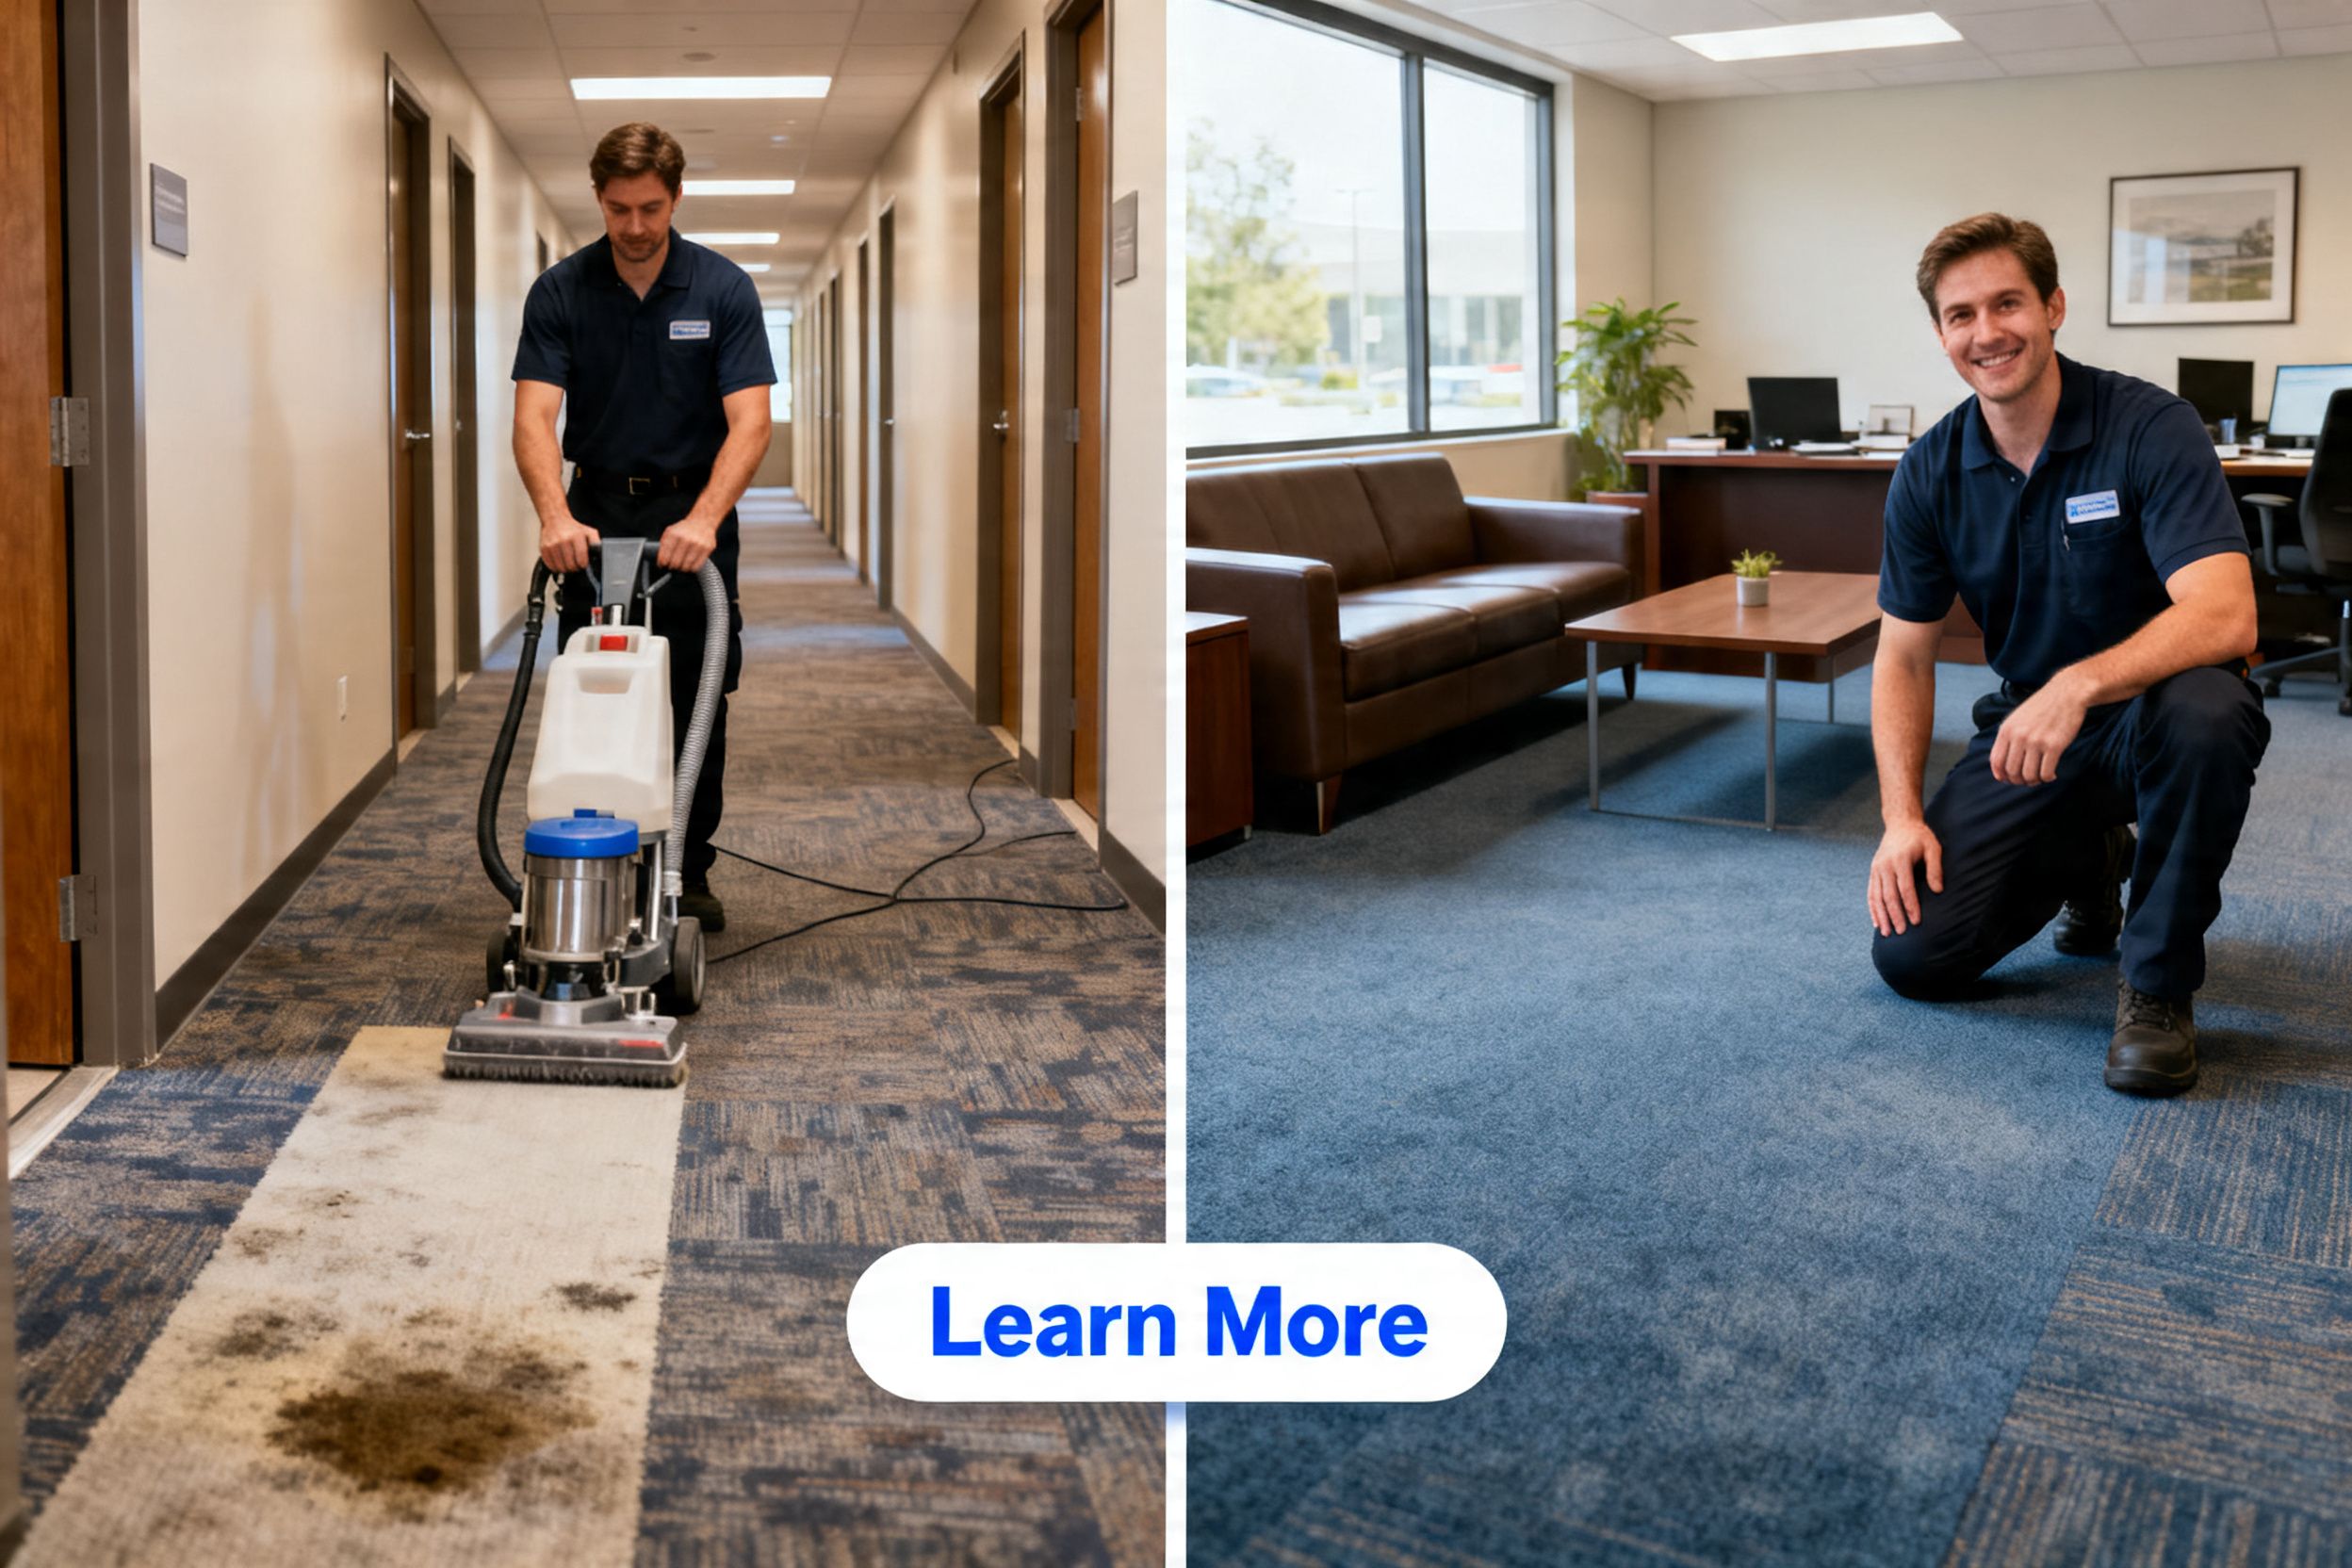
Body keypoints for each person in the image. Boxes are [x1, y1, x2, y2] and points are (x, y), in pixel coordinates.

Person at [1865, 212, 2269, 1095]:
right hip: (2030, 732)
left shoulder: (2150, 427)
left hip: (2157, 712)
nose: (1987, 332)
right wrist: (1901, 818)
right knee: (1915, 957)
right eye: (1961, 315)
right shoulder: (1930, 470)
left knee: (2211, 709)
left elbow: (2228, 617)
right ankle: (2097, 854)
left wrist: (2080, 684)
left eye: (2007, 303)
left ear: (2052, 308)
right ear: (1942, 336)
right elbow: (1902, 657)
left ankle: (2157, 984)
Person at [512, 122, 776, 932]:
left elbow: (752, 421)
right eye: (619, 208)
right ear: (598, 198)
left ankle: (687, 871)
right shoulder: (561, 291)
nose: (634, 227)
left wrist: (704, 519)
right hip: (594, 520)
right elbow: (533, 420)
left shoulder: (722, 289)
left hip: (695, 516)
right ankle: (596, 853)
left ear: (677, 197)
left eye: (650, 208)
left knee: (699, 690)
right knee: (596, 687)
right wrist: (555, 516)